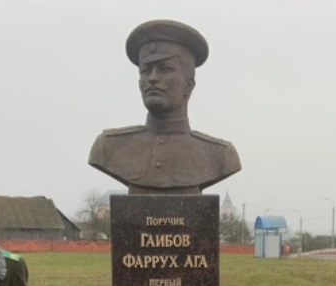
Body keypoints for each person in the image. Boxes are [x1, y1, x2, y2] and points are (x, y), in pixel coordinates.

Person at [88, 19, 241, 194]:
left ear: (188, 85)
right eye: (146, 71)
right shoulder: (108, 148)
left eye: (165, 69)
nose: (152, 78)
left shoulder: (219, 156)